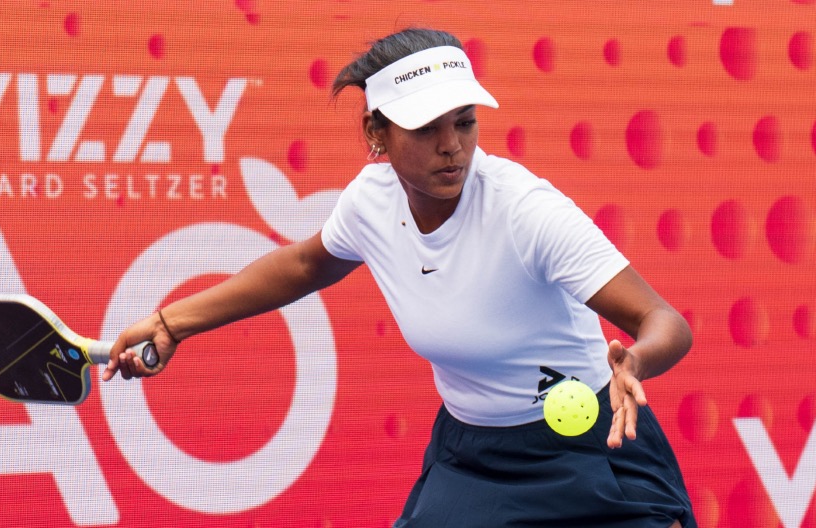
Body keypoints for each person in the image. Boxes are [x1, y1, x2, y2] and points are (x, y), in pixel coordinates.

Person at [103, 27, 696, 528]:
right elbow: (303, 265)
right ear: (376, 133)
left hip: (592, 446)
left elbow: (663, 320)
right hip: (472, 458)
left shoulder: (526, 211)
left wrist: (636, 362)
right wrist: (172, 323)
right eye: (425, 128)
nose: (452, 147)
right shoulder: (372, 203)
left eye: (464, 122)